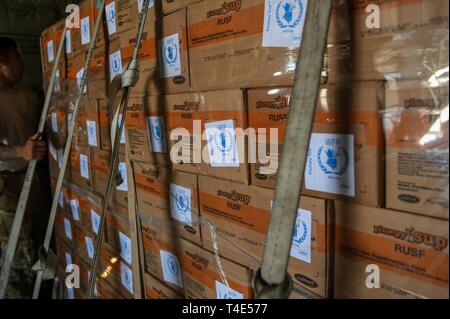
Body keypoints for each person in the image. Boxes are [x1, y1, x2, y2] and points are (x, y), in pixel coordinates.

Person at [0, 36, 48, 298]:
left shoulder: (28, 95)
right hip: (8, 187)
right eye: (16, 58)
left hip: (35, 182)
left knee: (41, 246)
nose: (22, 64)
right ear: (2, 61)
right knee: (18, 259)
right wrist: (20, 151)